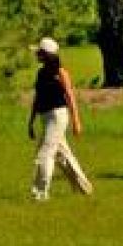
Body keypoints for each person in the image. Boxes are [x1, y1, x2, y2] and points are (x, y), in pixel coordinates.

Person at [25, 36, 94, 201]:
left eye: (39, 53)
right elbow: (38, 98)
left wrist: (76, 120)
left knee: (44, 153)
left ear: (46, 55)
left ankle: (40, 193)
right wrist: (31, 121)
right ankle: (84, 187)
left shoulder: (61, 73)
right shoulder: (41, 73)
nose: (37, 55)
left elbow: (70, 96)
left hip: (58, 116)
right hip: (46, 116)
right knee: (62, 155)